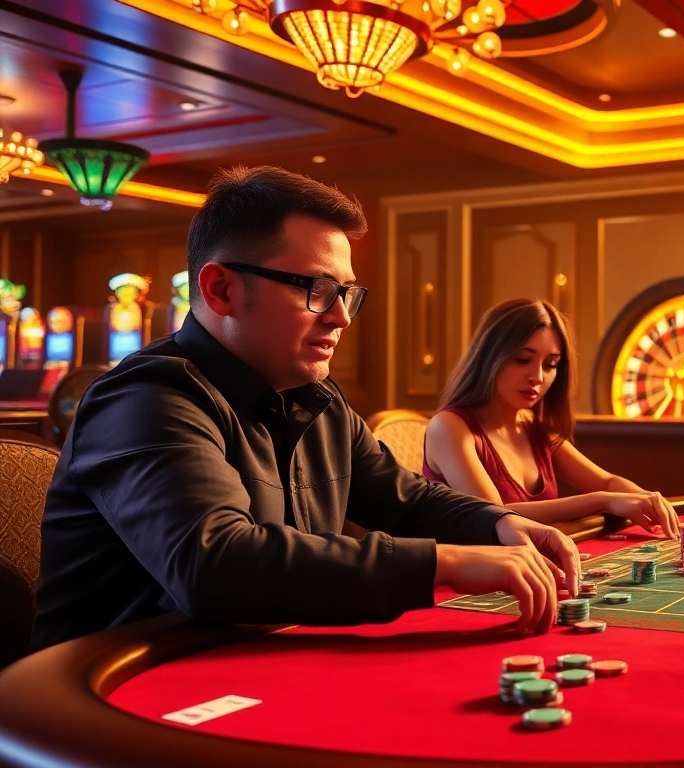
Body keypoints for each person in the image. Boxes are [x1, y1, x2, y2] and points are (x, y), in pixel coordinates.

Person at [33, 167, 579, 652]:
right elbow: (218, 564)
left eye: (346, 293)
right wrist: (448, 563)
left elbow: (408, 503)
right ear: (221, 289)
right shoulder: (145, 398)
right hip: (107, 698)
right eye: (318, 290)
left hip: (248, 662)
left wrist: (502, 527)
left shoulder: (316, 398)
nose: (341, 317)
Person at [423, 298, 680, 538]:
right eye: (523, 360)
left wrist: (650, 501)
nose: (537, 376)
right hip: (469, 578)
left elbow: (606, 481)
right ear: (490, 357)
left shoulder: (534, 428)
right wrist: (604, 500)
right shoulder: (449, 428)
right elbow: (495, 516)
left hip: (529, 565)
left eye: (550, 365)